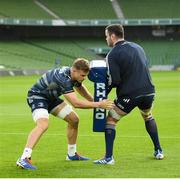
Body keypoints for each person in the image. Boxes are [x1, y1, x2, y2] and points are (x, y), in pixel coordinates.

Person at [16, 58, 114, 170]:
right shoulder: (63, 79)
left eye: (85, 75)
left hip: (51, 98)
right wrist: (98, 104)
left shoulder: (74, 75)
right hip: (37, 97)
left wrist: (94, 101)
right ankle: (24, 158)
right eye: (82, 75)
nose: (84, 78)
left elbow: (80, 88)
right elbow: (76, 103)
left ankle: (71, 154)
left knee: (74, 119)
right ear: (74, 71)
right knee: (43, 124)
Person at [94, 24, 164, 165]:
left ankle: (108, 158)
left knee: (111, 120)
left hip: (130, 94)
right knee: (147, 116)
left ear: (113, 36)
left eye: (107, 36)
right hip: (149, 91)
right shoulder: (138, 47)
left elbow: (115, 79)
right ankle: (158, 151)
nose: (106, 38)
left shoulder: (112, 54)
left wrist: (102, 93)